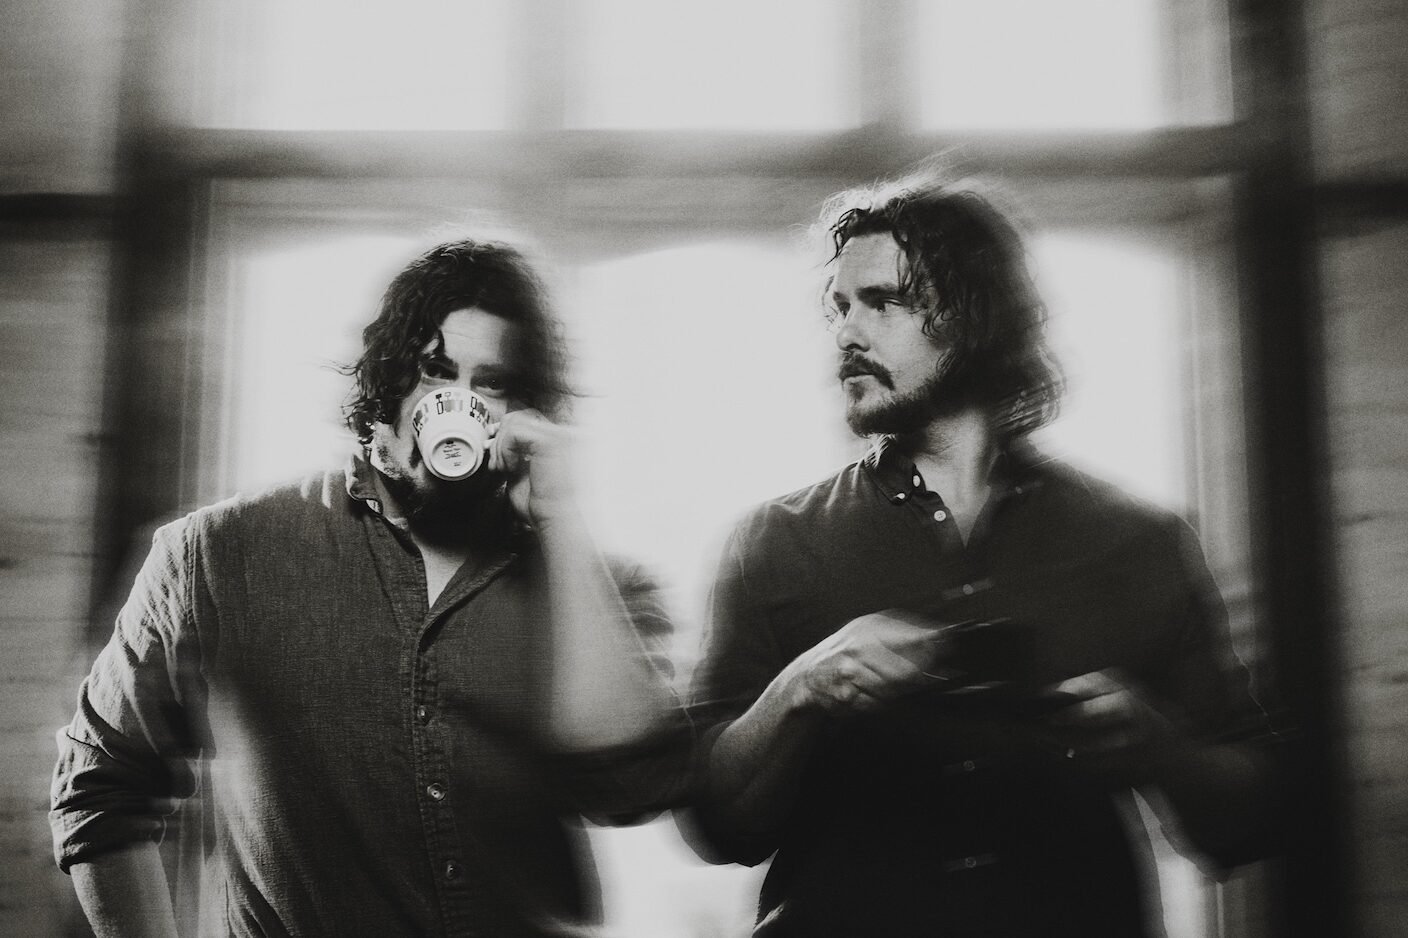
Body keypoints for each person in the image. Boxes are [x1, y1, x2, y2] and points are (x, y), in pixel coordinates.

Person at [681, 175, 1280, 936]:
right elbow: (718, 828)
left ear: (974, 317)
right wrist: (801, 688)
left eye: (882, 302)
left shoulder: (1139, 543)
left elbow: (1251, 827)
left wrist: (1163, 750)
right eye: (840, 307)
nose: (847, 333)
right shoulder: (774, 542)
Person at [51, 238, 690, 937]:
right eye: (435, 371)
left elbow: (635, 787)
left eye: (491, 383)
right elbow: (99, 785)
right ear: (389, 381)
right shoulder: (220, 552)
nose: (456, 402)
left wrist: (560, 515)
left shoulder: (589, 589)